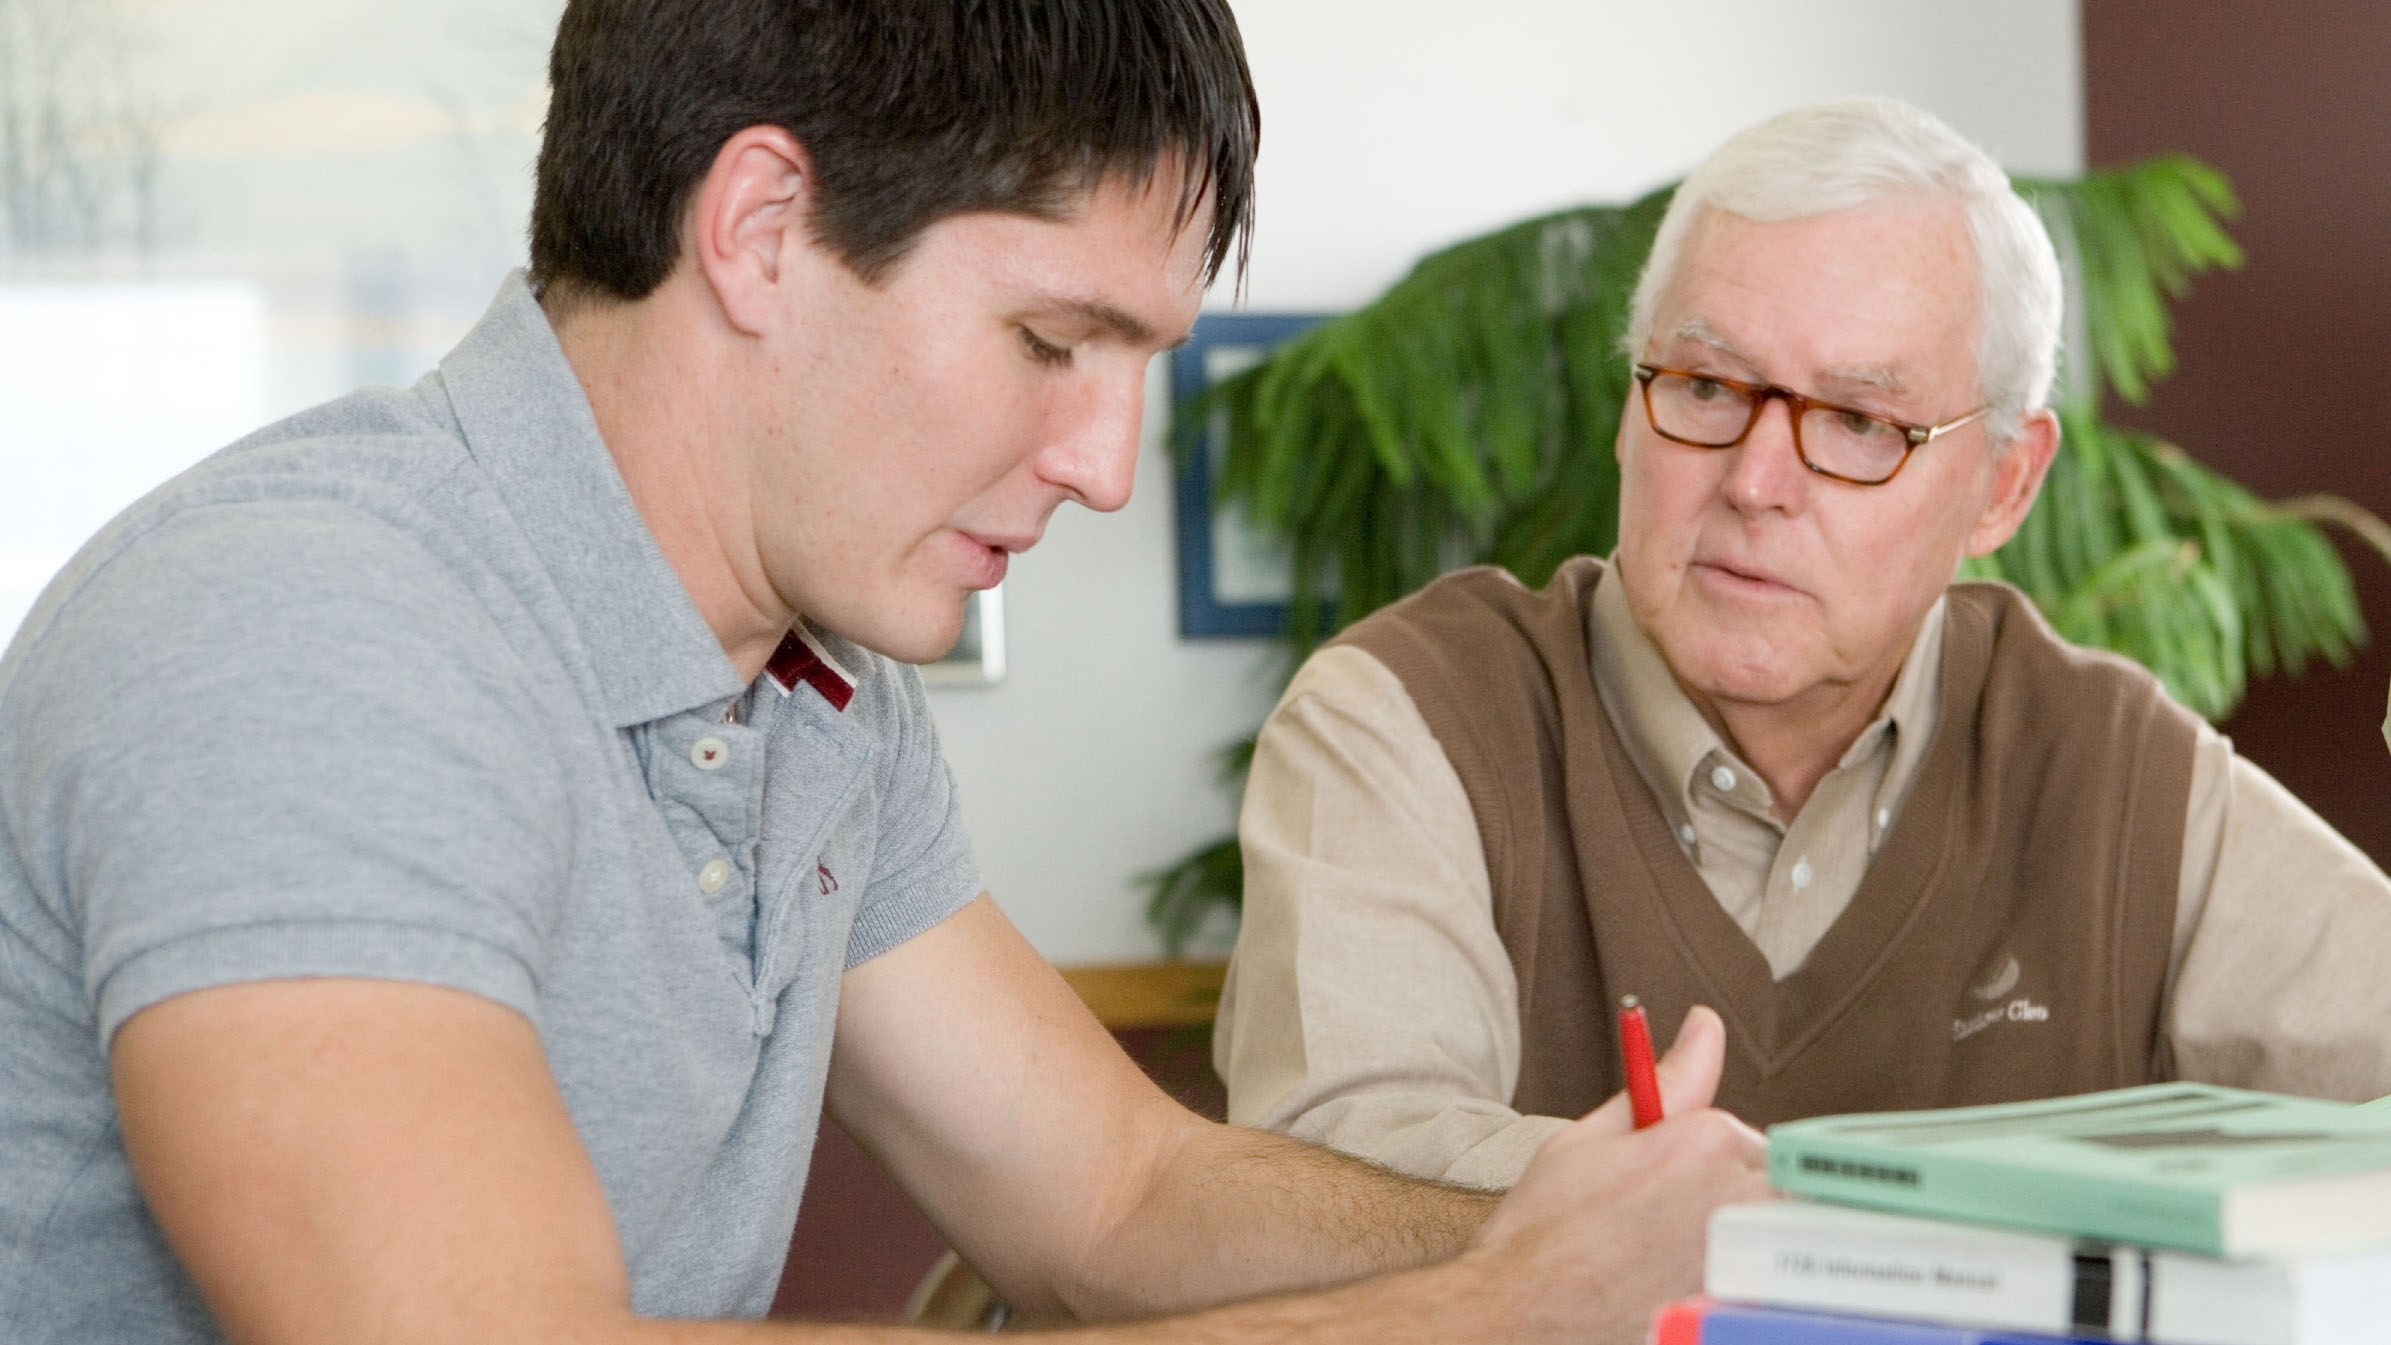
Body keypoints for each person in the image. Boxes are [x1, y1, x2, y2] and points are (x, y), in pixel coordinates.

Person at [0, 3, 1773, 1343]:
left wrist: (1544, 1215)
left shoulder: (807, 684)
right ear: (761, 227)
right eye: (1052, 340)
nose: (1103, 462)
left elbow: (1109, 1189)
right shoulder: (306, 626)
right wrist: (1482, 1315)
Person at [1214, 96, 2391, 1191]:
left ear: (2004, 486)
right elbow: (1331, 1191)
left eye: (1860, 421)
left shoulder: (2114, 771)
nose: (1757, 481)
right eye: (1709, 384)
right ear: (1631, 409)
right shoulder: (1408, 718)